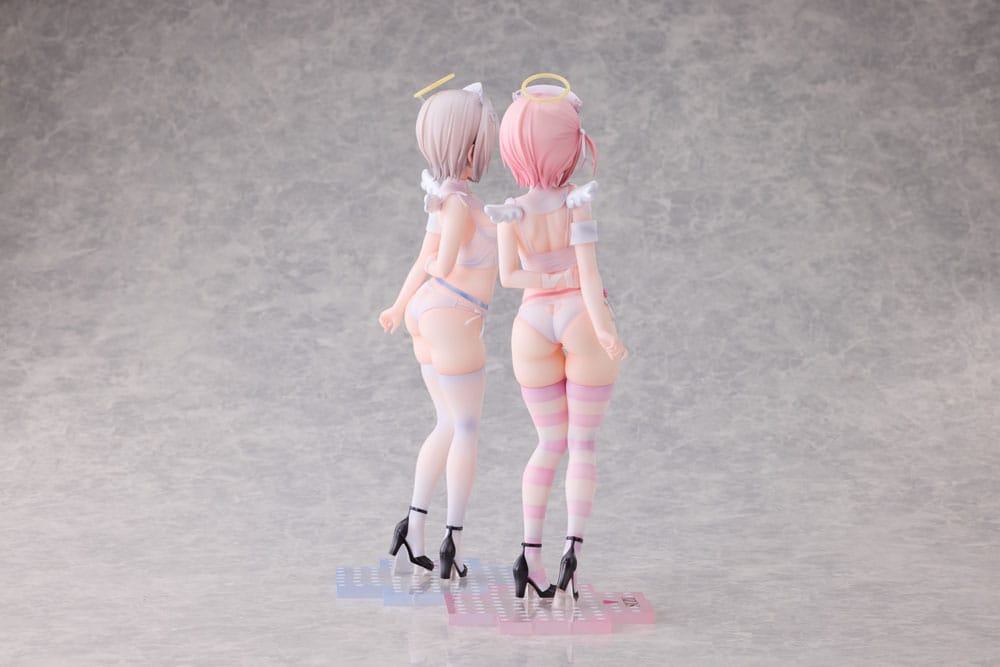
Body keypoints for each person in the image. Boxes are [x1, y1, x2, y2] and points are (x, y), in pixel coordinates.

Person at [485, 74, 627, 599]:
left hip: (529, 326)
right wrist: (606, 331)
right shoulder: (576, 203)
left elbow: (507, 278)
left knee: (547, 443)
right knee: (581, 443)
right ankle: (572, 552)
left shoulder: (510, 212)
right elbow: (588, 275)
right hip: (578, 317)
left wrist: (541, 281)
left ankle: (529, 556)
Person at [378, 80, 498, 579]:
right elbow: (441, 261)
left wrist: (398, 305)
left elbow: (422, 260)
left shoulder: (443, 197)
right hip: (455, 314)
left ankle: (413, 526)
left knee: (446, 423)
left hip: (426, 312)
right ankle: (454, 539)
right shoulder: (458, 204)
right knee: (466, 427)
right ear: (468, 146)